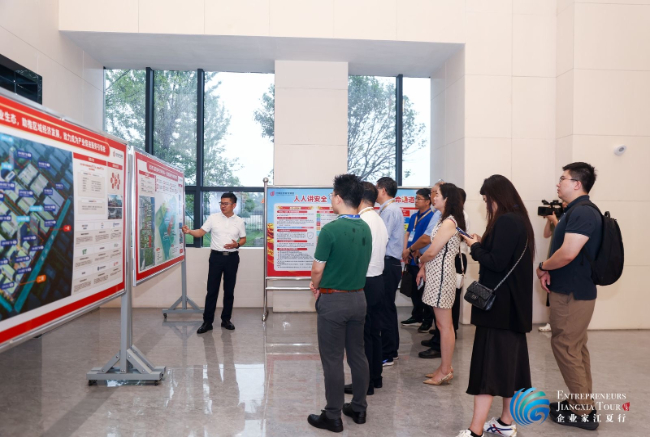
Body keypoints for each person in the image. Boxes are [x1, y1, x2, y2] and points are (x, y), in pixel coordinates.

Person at [456, 175, 535, 437]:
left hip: (498, 310)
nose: (486, 204)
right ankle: (505, 423)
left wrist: (475, 246)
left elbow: (495, 262)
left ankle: (475, 430)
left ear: (495, 197)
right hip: (511, 310)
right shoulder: (519, 220)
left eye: (486, 199)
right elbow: (504, 256)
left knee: (487, 371)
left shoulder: (506, 221)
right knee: (508, 369)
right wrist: (483, 243)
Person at [536, 162, 602, 431]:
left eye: (562, 178)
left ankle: (583, 411)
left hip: (573, 292)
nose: (558, 183)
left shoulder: (583, 212)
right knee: (575, 347)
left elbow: (567, 253)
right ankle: (580, 401)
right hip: (571, 289)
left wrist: (542, 266)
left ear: (577, 184)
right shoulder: (574, 210)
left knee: (566, 347)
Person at [308, 174, 372, 433]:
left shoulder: (330, 230)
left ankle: (332, 415)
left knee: (333, 359)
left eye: (332, 194)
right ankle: (359, 408)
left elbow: (317, 269)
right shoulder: (365, 227)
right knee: (357, 354)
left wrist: (315, 285)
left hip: (334, 301)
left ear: (338, 197)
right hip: (359, 298)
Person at [415, 183, 466, 385]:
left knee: (445, 326)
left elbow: (432, 251)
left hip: (442, 276)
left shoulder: (449, 222)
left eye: (438, 195)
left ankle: (445, 370)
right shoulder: (444, 219)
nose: (433, 197)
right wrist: (424, 265)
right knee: (443, 325)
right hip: (437, 275)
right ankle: (445, 366)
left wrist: (420, 259)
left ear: (447, 199)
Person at [344, 182, 388, 396]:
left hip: (365, 281)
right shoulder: (378, 219)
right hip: (378, 280)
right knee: (374, 332)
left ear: (359, 198)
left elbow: (356, 256)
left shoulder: (362, 221)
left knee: (363, 336)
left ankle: (365, 383)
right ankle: (375, 377)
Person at [182, 193, 246, 333]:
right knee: (212, 290)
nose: (223, 206)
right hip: (216, 258)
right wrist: (189, 231)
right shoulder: (213, 218)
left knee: (229, 290)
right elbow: (200, 232)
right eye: (221, 203)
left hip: (232, 258)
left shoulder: (239, 221)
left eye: (226, 203)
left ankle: (226, 320)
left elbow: (243, 238)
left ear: (234, 205)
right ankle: (207, 322)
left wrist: (237, 245)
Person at [376, 176, 405, 366]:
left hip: (388, 263)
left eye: (377, 188)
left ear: (383, 190)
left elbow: (382, 238)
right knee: (388, 308)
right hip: (390, 263)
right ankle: (391, 350)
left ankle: (388, 352)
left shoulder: (390, 210)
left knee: (385, 309)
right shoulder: (389, 209)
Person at [400, 188, 435, 331]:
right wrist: (405, 250)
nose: (416, 201)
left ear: (427, 201)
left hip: (422, 258)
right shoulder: (414, 216)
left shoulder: (432, 217)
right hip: (411, 256)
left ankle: (427, 319)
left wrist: (417, 251)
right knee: (414, 289)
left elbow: (428, 239)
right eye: (415, 198)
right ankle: (417, 316)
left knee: (424, 291)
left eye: (419, 198)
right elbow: (408, 234)